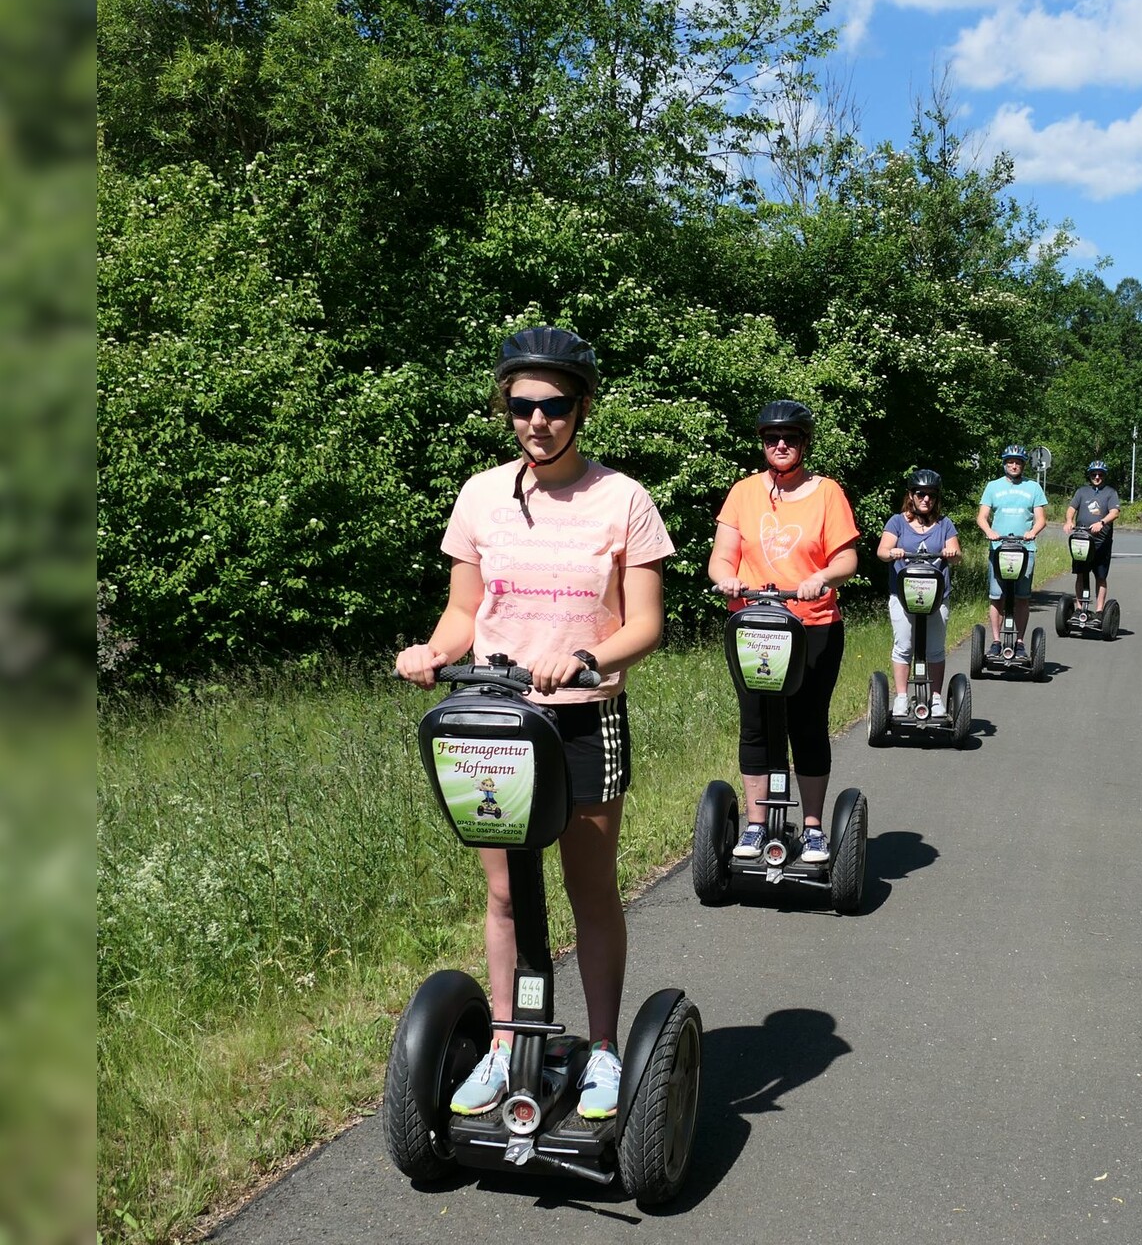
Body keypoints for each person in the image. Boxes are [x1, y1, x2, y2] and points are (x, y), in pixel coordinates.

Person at [395, 325, 673, 1121]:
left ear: (581, 408)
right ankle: (505, 1040)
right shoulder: (481, 494)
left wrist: (585, 656)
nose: (537, 421)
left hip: (583, 719)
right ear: (506, 408)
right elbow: (463, 610)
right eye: (522, 406)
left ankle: (605, 1052)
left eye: (554, 405)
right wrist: (430, 651)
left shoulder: (624, 499)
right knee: (507, 896)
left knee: (590, 892)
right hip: (494, 719)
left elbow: (645, 625)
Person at [708, 400, 861, 865]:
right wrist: (727, 578)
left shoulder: (827, 492)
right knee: (755, 724)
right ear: (762, 444)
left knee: (807, 724)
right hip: (755, 626)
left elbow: (848, 559)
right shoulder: (744, 492)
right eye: (772, 438)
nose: (780, 445)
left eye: (790, 438)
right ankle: (756, 825)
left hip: (813, 626)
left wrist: (824, 578)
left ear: (804, 443)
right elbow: (721, 556)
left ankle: (813, 829)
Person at [875, 469, 963, 716]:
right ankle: (902, 697)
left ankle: (936, 699)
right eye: (921, 494)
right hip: (903, 596)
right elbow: (882, 551)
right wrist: (893, 552)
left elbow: (956, 555)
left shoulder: (945, 524)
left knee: (935, 647)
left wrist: (951, 553)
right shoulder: (897, 522)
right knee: (903, 645)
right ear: (911, 495)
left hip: (937, 597)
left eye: (931, 495)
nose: (926, 499)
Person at [975, 444, 1047, 659]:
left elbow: (1041, 519)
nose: (1014, 465)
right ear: (1005, 463)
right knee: (996, 596)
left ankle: (1020, 643)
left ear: (1023, 464)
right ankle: (996, 642)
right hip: (999, 548)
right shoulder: (993, 486)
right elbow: (981, 516)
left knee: (1022, 598)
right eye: (1010, 462)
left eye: (1018, 462)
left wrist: (1032, 532)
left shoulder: (1033, 487)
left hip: (1025, 549)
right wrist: (989, 531)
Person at [1063, 459, 1122, 610]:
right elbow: (1071, 508)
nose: (1097, 477)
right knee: (1081, 574)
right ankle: (1079, 607)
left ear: (1104, 475)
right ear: (1090, 475)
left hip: (1101, 542)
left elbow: (1114, 512)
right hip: (1081, 539)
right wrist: (1069, 520)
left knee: (1100, 576)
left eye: (1100, 474)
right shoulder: (1082, 491)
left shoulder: (1110, 492)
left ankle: (1099, 610)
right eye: (1094, 474)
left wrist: (1101, 523)